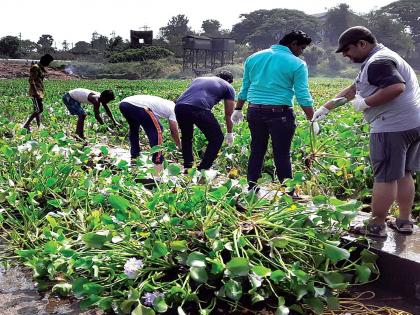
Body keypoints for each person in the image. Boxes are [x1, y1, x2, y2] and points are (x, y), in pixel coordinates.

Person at [312, 26, 420, 237]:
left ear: (363, 44)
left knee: (385, 177)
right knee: (404, 173)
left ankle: (377, 225)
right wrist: (325, 108)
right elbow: (354, 90)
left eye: (347, 49)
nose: (345, 55)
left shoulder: (379, 62)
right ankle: (405, 221)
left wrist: (365, 104)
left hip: (392, 126)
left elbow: (396, 87)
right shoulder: (381, 58)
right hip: (413, 123)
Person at [233, 30, 317, 194]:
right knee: (282, 153)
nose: (302, 52)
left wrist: (238, 108)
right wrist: (312, 119)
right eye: (301, 48)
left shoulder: (254, 58)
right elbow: (303, 96)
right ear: (293, 44)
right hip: (280, 114)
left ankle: (252, 187)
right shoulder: (297, 63)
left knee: (257, 149)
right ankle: (288, 192)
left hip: (254, 110)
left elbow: (245, 87)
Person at [175, 71, 235, 171]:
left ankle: (187, 167)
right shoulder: (228, 87)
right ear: (229, 81)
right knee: (217, 138)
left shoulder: (199, 79)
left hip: (180, 106)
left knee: (186, 137)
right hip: (199, 108)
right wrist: (229, 133)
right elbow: (229, 114)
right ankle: (203, 169)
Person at [119, 95, 181, 168]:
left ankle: (134, 155)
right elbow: (174, 131)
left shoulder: (167, 103)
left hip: (124, 104)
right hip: (139, 106)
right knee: (158, 129)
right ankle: (158, 159)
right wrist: (180, 146)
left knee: (134, 128)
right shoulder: (175, 108)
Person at [23, 54, 54, 131]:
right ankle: (26, 125)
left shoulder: (41, 68)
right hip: (35, 92)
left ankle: (38, 125)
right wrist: (36, 92)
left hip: (40, 91)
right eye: (48, 62)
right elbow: (31, 80)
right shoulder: (35, 67)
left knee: (37, 109)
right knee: (39, 109)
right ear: (45, 60)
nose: (48, 64)